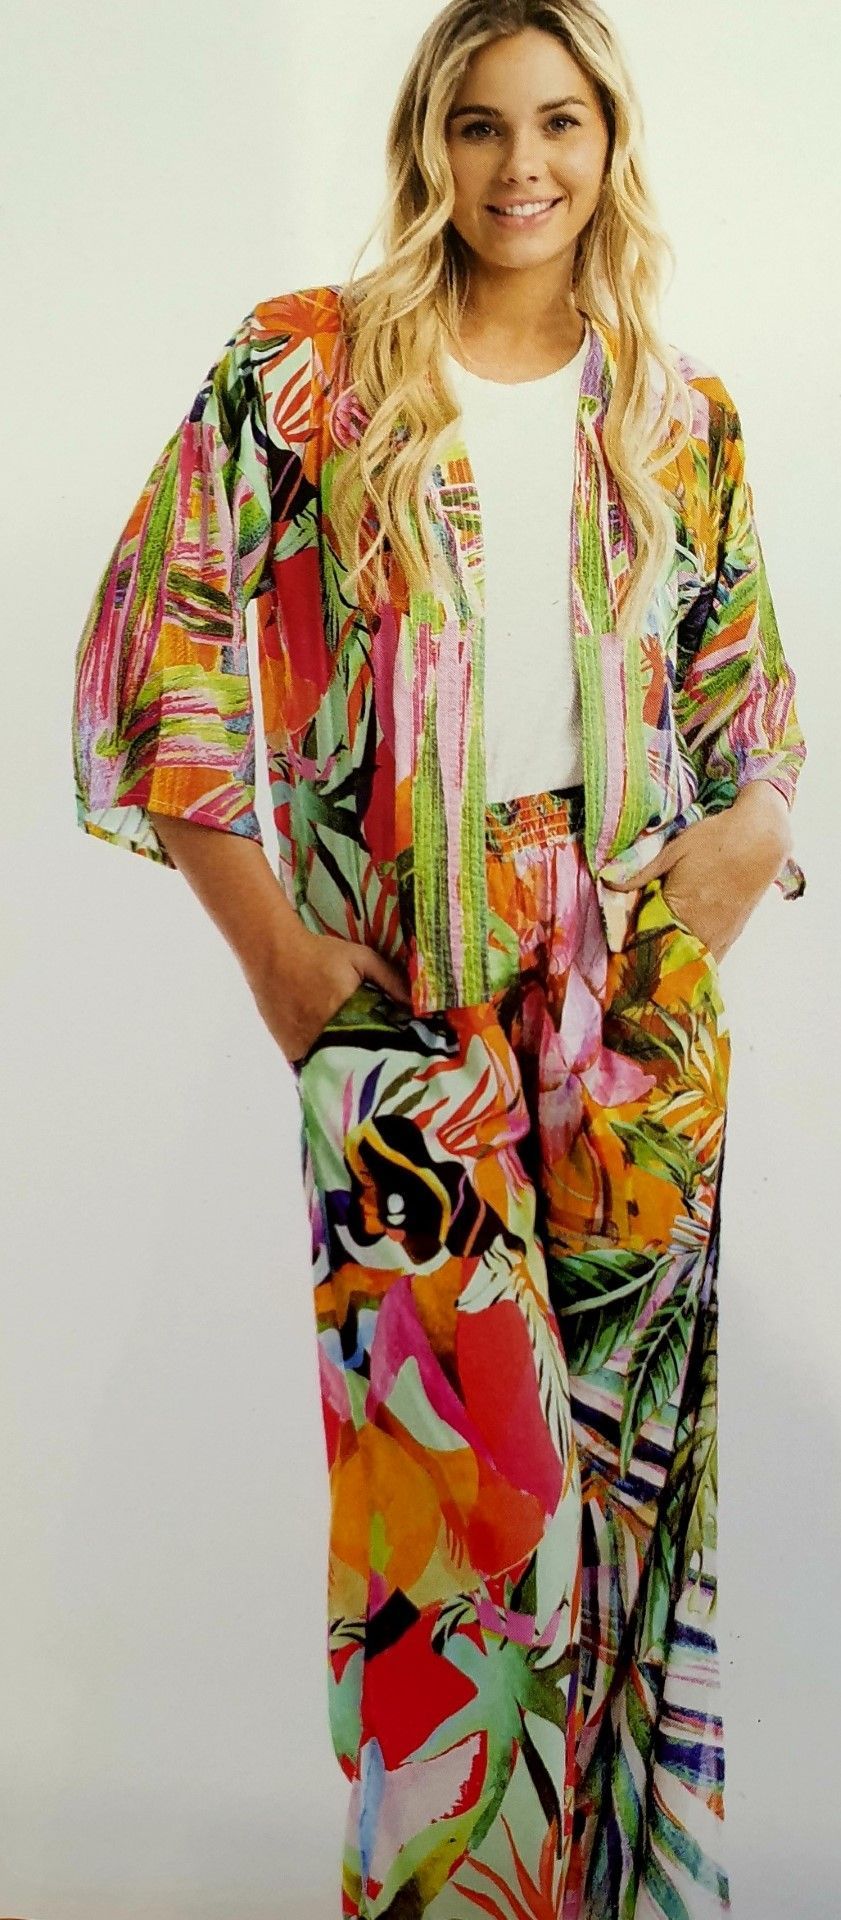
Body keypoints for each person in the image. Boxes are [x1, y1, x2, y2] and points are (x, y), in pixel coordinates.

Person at [70, 2, 807, 1914]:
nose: (519, 167)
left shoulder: (674, 407)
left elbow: (748, 707)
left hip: (628, 1016)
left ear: (606, 141)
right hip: (395, 1002)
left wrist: (737, 855)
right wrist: (278, 965)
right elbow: (163, 660)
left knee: (635, 1510)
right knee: (452, 1523)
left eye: (557, 123)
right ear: (427, 146)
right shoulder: (302, 375)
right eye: (477, 127)